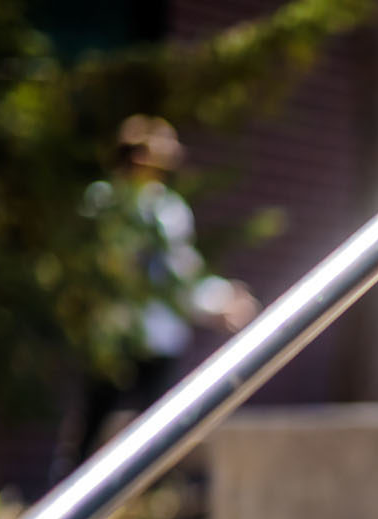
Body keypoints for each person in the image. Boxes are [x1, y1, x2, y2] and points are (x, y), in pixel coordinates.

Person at [72, 115, 257, 461]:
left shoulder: (165, 209)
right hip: (114, 334)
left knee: (151, 426)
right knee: (98, 418)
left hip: (152, 334)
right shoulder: (106, 204)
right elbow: (169, 277)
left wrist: (216, 299)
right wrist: (218, 301)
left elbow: (177, 273)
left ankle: (139, 502)